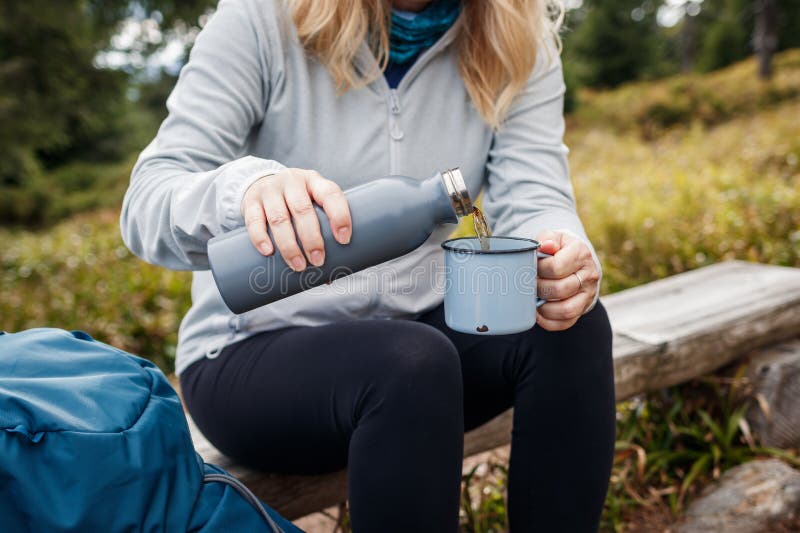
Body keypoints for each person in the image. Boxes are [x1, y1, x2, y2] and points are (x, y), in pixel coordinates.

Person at [121, 0, 615, 530]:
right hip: (252, 357)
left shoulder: (516, 34)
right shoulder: (260, 20)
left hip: (427, 348)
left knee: (569, 324)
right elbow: (147, 201)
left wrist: (558, 246)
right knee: (410, 362)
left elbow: (535, 193)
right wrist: (245, 191)